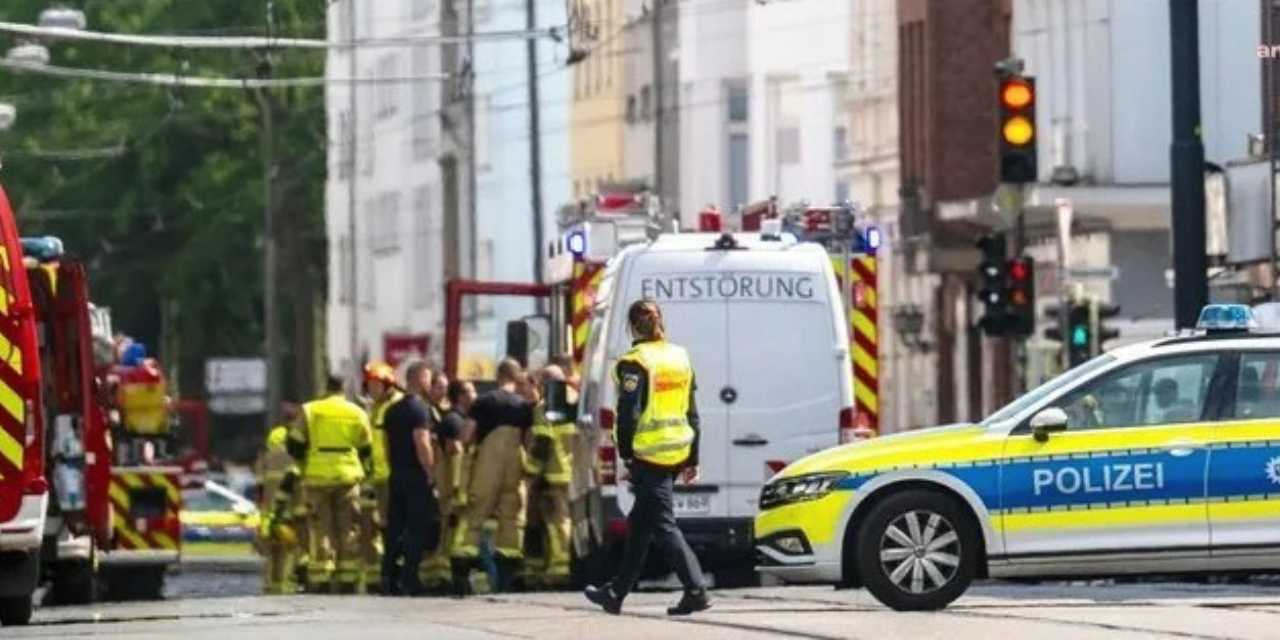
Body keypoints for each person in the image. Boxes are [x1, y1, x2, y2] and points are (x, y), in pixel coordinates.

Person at [585, 298, 710, 616]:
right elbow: (692, 411)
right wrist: (693, 457)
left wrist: (626, 455)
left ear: (631, 327)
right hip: (677, 450)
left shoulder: (635, 362)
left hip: (650, 455)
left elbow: (628, 415)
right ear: (660, 322)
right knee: (640, 525)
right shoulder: (679, 357)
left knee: (664, 525)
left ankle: (696, 590)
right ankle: (616, 592)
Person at [450, 358, 535, 595]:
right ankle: (507, 577)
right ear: (516, 378)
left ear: (498, 377)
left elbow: (467, 435)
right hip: (514, 467)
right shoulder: (524, 406)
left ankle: (462, 568)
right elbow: (529, 441)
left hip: (488, 465)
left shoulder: (484, 402)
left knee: (476, 512)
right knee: (511, 517)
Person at [287, 374, 373, 594]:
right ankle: (347, 577)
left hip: (317, 477)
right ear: (344, 388)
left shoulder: (310, 410)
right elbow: (366, 449)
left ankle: (322, 575)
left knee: (320, 527)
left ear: (325, 387)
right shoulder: (357, 412)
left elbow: (295, 443)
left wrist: (304, 461)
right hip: (348, 476)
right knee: (348, 527)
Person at [381, 363, 438, 596]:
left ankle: (388, 576)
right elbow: (421, 442)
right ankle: (410, 578)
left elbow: (385, 445)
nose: (430, 384)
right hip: (415, 476)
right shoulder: (419, 409)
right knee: (416, 527)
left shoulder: (391, 410)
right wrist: (431, 472)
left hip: (396, 474)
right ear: (419, 378)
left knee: (395, 527)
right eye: (428, 379)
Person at [521, 364, 576, 590]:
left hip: (554, 475)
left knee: (556, 523)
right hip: (577, 474)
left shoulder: (546, 407)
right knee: (568, 521)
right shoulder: (577, 401)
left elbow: (542, 444)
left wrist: (530, 472)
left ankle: (559, 569)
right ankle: (562, 565)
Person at [421, 374, 472, 591]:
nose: (475, 395)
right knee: (446, 532)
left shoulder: (452, 418)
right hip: (450, 490)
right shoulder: (453, 422)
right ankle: (440, 578)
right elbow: (455, 455)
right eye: (470, 391)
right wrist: (459, 490)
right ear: (460, 396)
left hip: (450, 490)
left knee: (448, 534)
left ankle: (441, 575)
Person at [360, 361, 404, 593]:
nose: (371, 389)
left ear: (387, 385)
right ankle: (382, 573)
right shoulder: (377, 407)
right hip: (376, 475)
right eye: (369, 385)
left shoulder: (393, 406)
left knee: (390, 526)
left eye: (375, 385)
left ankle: (391, 573)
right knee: (376, 526)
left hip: (388, 475)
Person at [255, 402, 305, 595]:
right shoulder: (297, 443)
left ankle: (270, 584)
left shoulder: (271, 443)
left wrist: (261, 508)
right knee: (290, 548)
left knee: (271, 549)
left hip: (269, 508)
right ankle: (285, 583)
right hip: (292, 507)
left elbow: (260, 483)